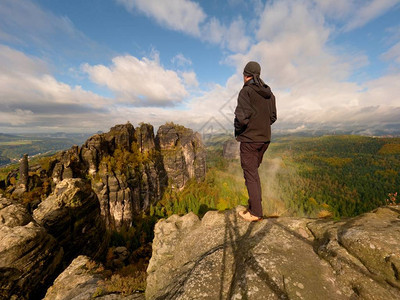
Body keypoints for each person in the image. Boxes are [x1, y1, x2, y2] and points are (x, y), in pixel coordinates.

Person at [234, 61, 277, 222]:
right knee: (254, 173)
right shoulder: (269, 93)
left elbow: (241, 118)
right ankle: (254, 207)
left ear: (246, 75)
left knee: (250, 175)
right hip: (264, 140)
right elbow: (273, 117)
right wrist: (261, 127)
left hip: (250, 141)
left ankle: (255, 213)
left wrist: (240, 131)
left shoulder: (246, 92)